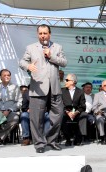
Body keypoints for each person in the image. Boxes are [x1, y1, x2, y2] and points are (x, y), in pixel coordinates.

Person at [19, 24, 67, 153]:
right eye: (40, 33)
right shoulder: (30, 48)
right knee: (36, 118)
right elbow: (22, 62)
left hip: (55, 87)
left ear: (49, 34)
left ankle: (52, 141)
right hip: (38, 87)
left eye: (45, 33)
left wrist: (51, 56)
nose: (43, 36)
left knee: (58, 114)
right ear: (37, 34)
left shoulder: (57, 47)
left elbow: (64, 62)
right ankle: (39, 144)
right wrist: (28, 66)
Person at [61, 73, 87, 146]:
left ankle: (78, 139)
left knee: (82, 116)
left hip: (77, 111)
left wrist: (75, 112)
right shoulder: (62, 91)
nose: (65, 81)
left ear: (72, 81)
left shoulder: (80, 91)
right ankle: (68, 139)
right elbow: (60, 104)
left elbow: (83, 106)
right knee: (62, 117)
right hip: (65, 111)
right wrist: (67, 112)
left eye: (66, 80)